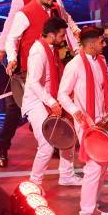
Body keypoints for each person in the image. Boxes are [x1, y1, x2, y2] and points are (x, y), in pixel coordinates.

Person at [58, 26, 108, 215]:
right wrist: (74, 110)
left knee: (102, 167)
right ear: (89, 44)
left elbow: (105, 85)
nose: (104, 45)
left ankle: (94, 208)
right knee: (94, 168)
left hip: (103, 119)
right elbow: (62, 94)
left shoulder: (101, 62)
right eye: (101, 41)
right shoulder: (75, 65)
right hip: (86, 122)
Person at [0, 0, 51, 168]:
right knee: (14, 109)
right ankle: (2, 147)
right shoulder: (20, 0)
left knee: (49, 102)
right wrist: (5, 51)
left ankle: (50, 143)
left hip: (47, 62)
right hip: (23, 63)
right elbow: (10, 28)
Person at [23, 17, 81, 186]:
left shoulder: (51, 48)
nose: (64, 39)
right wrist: (52, 102)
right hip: (36, 102)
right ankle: (35, 182)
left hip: (49, 99)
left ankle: (67, 175)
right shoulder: (38, 52)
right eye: (62, 36)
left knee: (67, 134)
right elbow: (33, 82)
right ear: (51, 35)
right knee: (47, 144)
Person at [5, 0, 80, 76]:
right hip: (35, 68)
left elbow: (66, 30)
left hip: (56, 64)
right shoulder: (24, 14)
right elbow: (12, 38)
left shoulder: (56, 8)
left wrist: (76, 49)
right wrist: (12, 59)